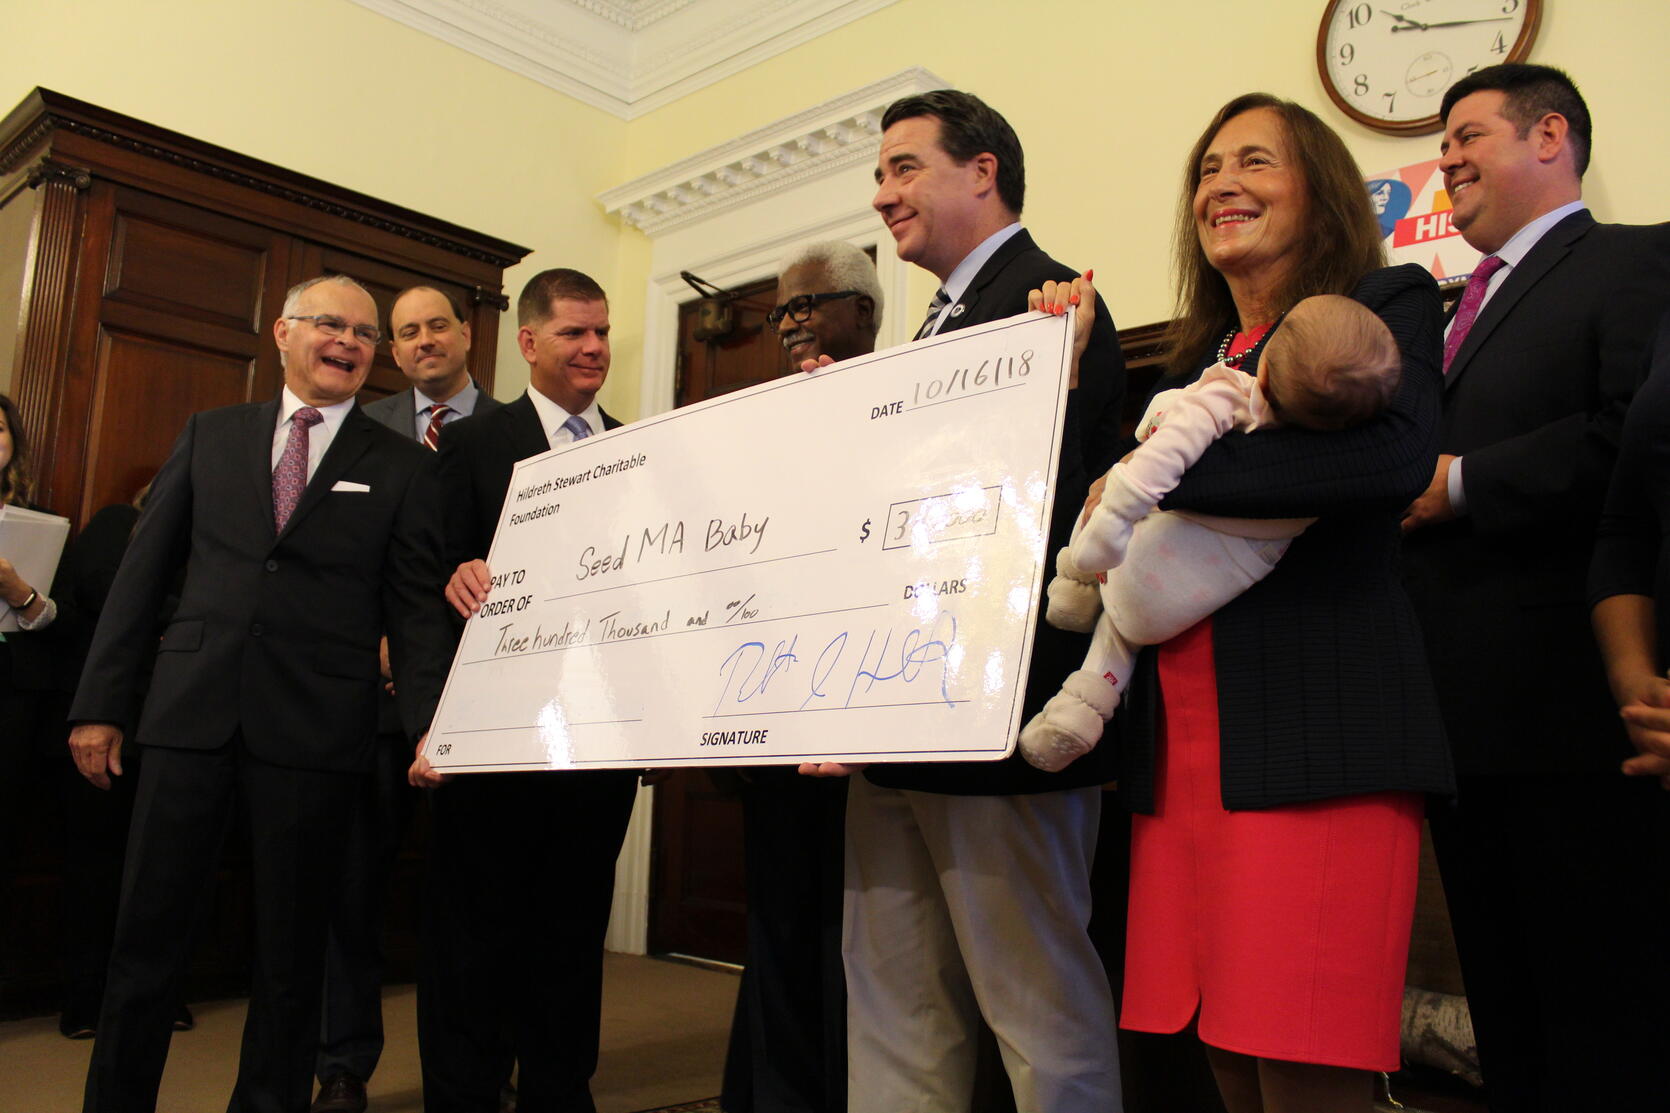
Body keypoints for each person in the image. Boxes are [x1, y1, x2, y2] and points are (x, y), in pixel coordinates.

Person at [1077, 93, 1454, 1113]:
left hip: (1317, 739)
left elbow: (1387, 458)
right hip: (1185, 755)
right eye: (1205, 168)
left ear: (1321, 193)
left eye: (1253, 161)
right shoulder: (1205, 359)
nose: (1219, 184)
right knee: (1228, 1065)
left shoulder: (1389, 299)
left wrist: (1144, 477)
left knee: (1303, 1068)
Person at [805, 89, 1126, 1113]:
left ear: (980, 170)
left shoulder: (1051, 306)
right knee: (892, 1005)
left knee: (1038, 1018)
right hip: (890, 719)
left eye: (903, 167)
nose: (881, 194)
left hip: (1001, 726)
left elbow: (1053, 510)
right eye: (879, 173)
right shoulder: (928, 336)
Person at [65, 274, 455, 1113]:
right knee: (143, 948)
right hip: (187, 718)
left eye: (362, 333)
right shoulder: (211, 434)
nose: (348, 342)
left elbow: (416, 612)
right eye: (329, 324)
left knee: (290, 960)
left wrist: (431, 728)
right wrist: (100, 703)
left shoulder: (399, 467)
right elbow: (142, 578)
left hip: (316, 735)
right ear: (282, 331)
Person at [1401, 63, 1670, 1111]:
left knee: (1602, 1009)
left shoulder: (1634, 261)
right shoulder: (1436, 310)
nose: (1446, 159)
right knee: (1504, 1016)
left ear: (1549, 134)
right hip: (1456, 724)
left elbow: (1625, 441)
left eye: (1465, 134)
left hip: (1572, 712)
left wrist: (1462, 482)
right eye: (1441, 143)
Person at [412, 268, 640, 1113]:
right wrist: (453, 572)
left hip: (600, 741)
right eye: (576, 332)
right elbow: (424, 575)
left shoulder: (633, 447)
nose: (593, 348)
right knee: (475, 941)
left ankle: (558, 1090)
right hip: (497, 742)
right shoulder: (471, 443)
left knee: (574, 935)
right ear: (529, 341)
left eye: (603, 332)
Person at [1024, 296, 1401, 771]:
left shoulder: (1227, 395)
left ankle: (1075, 586)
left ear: (1264, 371)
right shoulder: (1323, 468)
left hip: (1139, 562)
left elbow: (1144, 472)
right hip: (1192, 593)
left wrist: (1107, 529)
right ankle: (1080, 711)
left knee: (1125, 474)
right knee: (1121, 638)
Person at [309, 285, 503, 1113]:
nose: (424, 340)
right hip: (374, 704)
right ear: (393, 350)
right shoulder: (355, 430)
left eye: (437, 326)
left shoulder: (516, 432)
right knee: (352, 889)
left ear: (468, 334)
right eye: (406, 332)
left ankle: (478, 1072)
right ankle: (342, 1064)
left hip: (490, 699)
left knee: (479, 899)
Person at [720, 241, 882, 1113]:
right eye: (781, 310)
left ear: (863, 313)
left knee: (857, 940)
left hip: (868, 725)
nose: (790, 324)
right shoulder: (756, 420)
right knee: (779, 929)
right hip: (770, 724)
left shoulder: (909, 402)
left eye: (807, 305)